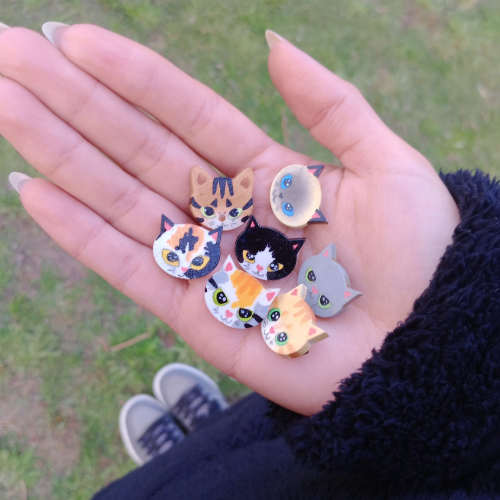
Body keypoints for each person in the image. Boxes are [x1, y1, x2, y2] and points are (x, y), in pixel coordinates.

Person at [1, 22, 499, 499]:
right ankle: (202, 440)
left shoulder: (280, 287)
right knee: (231, 450)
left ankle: (194, 453)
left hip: (370, 461)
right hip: (424, 432)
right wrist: (455, 324)